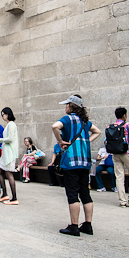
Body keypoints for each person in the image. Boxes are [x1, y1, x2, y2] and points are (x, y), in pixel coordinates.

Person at [52, 95, 100, 236]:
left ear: (71, 106)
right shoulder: (85, 122)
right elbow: (98, 131)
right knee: (85, 193)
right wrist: (86, 141)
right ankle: (88, 225)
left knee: (72, 193)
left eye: (67, 104)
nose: (65, 107)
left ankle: (74, 226)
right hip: (85, 161)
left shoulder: (67, 119)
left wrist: (60, 140)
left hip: (71, 161)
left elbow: (55, 126)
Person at [0, 107, 19, 205]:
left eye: (3, 114)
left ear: (7, 114)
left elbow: (10, 138)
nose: (2, 116)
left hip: (9, 153)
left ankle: (14, 198)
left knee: (9, 174)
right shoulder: (9, 125)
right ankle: (4, 193)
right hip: (6, 152)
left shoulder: (11, 124)